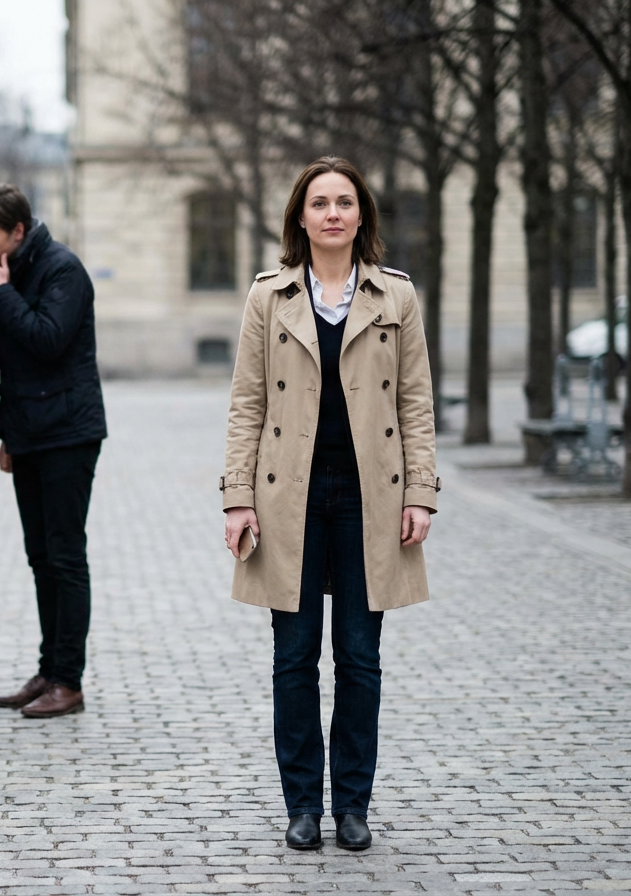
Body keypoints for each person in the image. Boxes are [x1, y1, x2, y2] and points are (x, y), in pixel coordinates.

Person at [221, 157, 437, 851]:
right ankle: (301, 806)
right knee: (293, 657)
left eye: (346, 202)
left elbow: (415, 404)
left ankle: (352, 805)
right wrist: (236, 499)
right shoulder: (269, 297)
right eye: (321, 203)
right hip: (289, 497)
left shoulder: (396, 296)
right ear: (302, 217)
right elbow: (247, 405)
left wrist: (422, 493)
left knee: (359, 658)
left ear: (362, 216)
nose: (334, 213)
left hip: (371, 497)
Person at [0, 184, 107, 719]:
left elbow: (47, 340)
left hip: (70, 433)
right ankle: (48, 670)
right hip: (29, 433)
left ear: (17, 232)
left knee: (66, 557)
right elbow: (6, 357)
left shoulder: (61, 269)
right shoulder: (9, 269)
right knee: (40, 557)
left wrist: (0, 292)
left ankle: (68, 681)